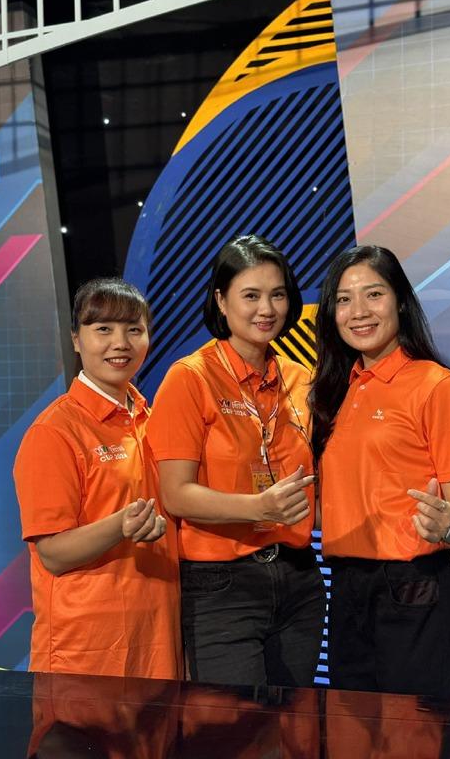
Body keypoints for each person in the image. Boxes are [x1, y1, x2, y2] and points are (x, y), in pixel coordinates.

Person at [147, 234, 326, 687]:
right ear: (221, 301)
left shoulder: (301, 380)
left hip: (299, 577)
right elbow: (176, 494)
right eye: (251, 295)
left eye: (277, 295)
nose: (266, 309)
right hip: (221, 585)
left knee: (297, 721)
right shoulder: (190, 378)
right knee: (237, 724)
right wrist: (258, 507)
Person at [310, 245, 450, 697]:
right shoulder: (336, 392)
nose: (358, 312)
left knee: (421, 731)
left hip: (415, 590)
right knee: (351, 728)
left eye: (374, 294)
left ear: (400, 301)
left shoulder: (437, 387)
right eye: (344, 299)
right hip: (346, 588)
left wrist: (447, 521)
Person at [13, 278, 183, 680]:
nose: (120, 343)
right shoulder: (55, 432)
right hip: (86, 650)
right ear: (76, 339)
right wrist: (120, 525)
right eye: (103, 329)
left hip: (159, 643)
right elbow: (52, 553)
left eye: (133, 329)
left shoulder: (153, 419)